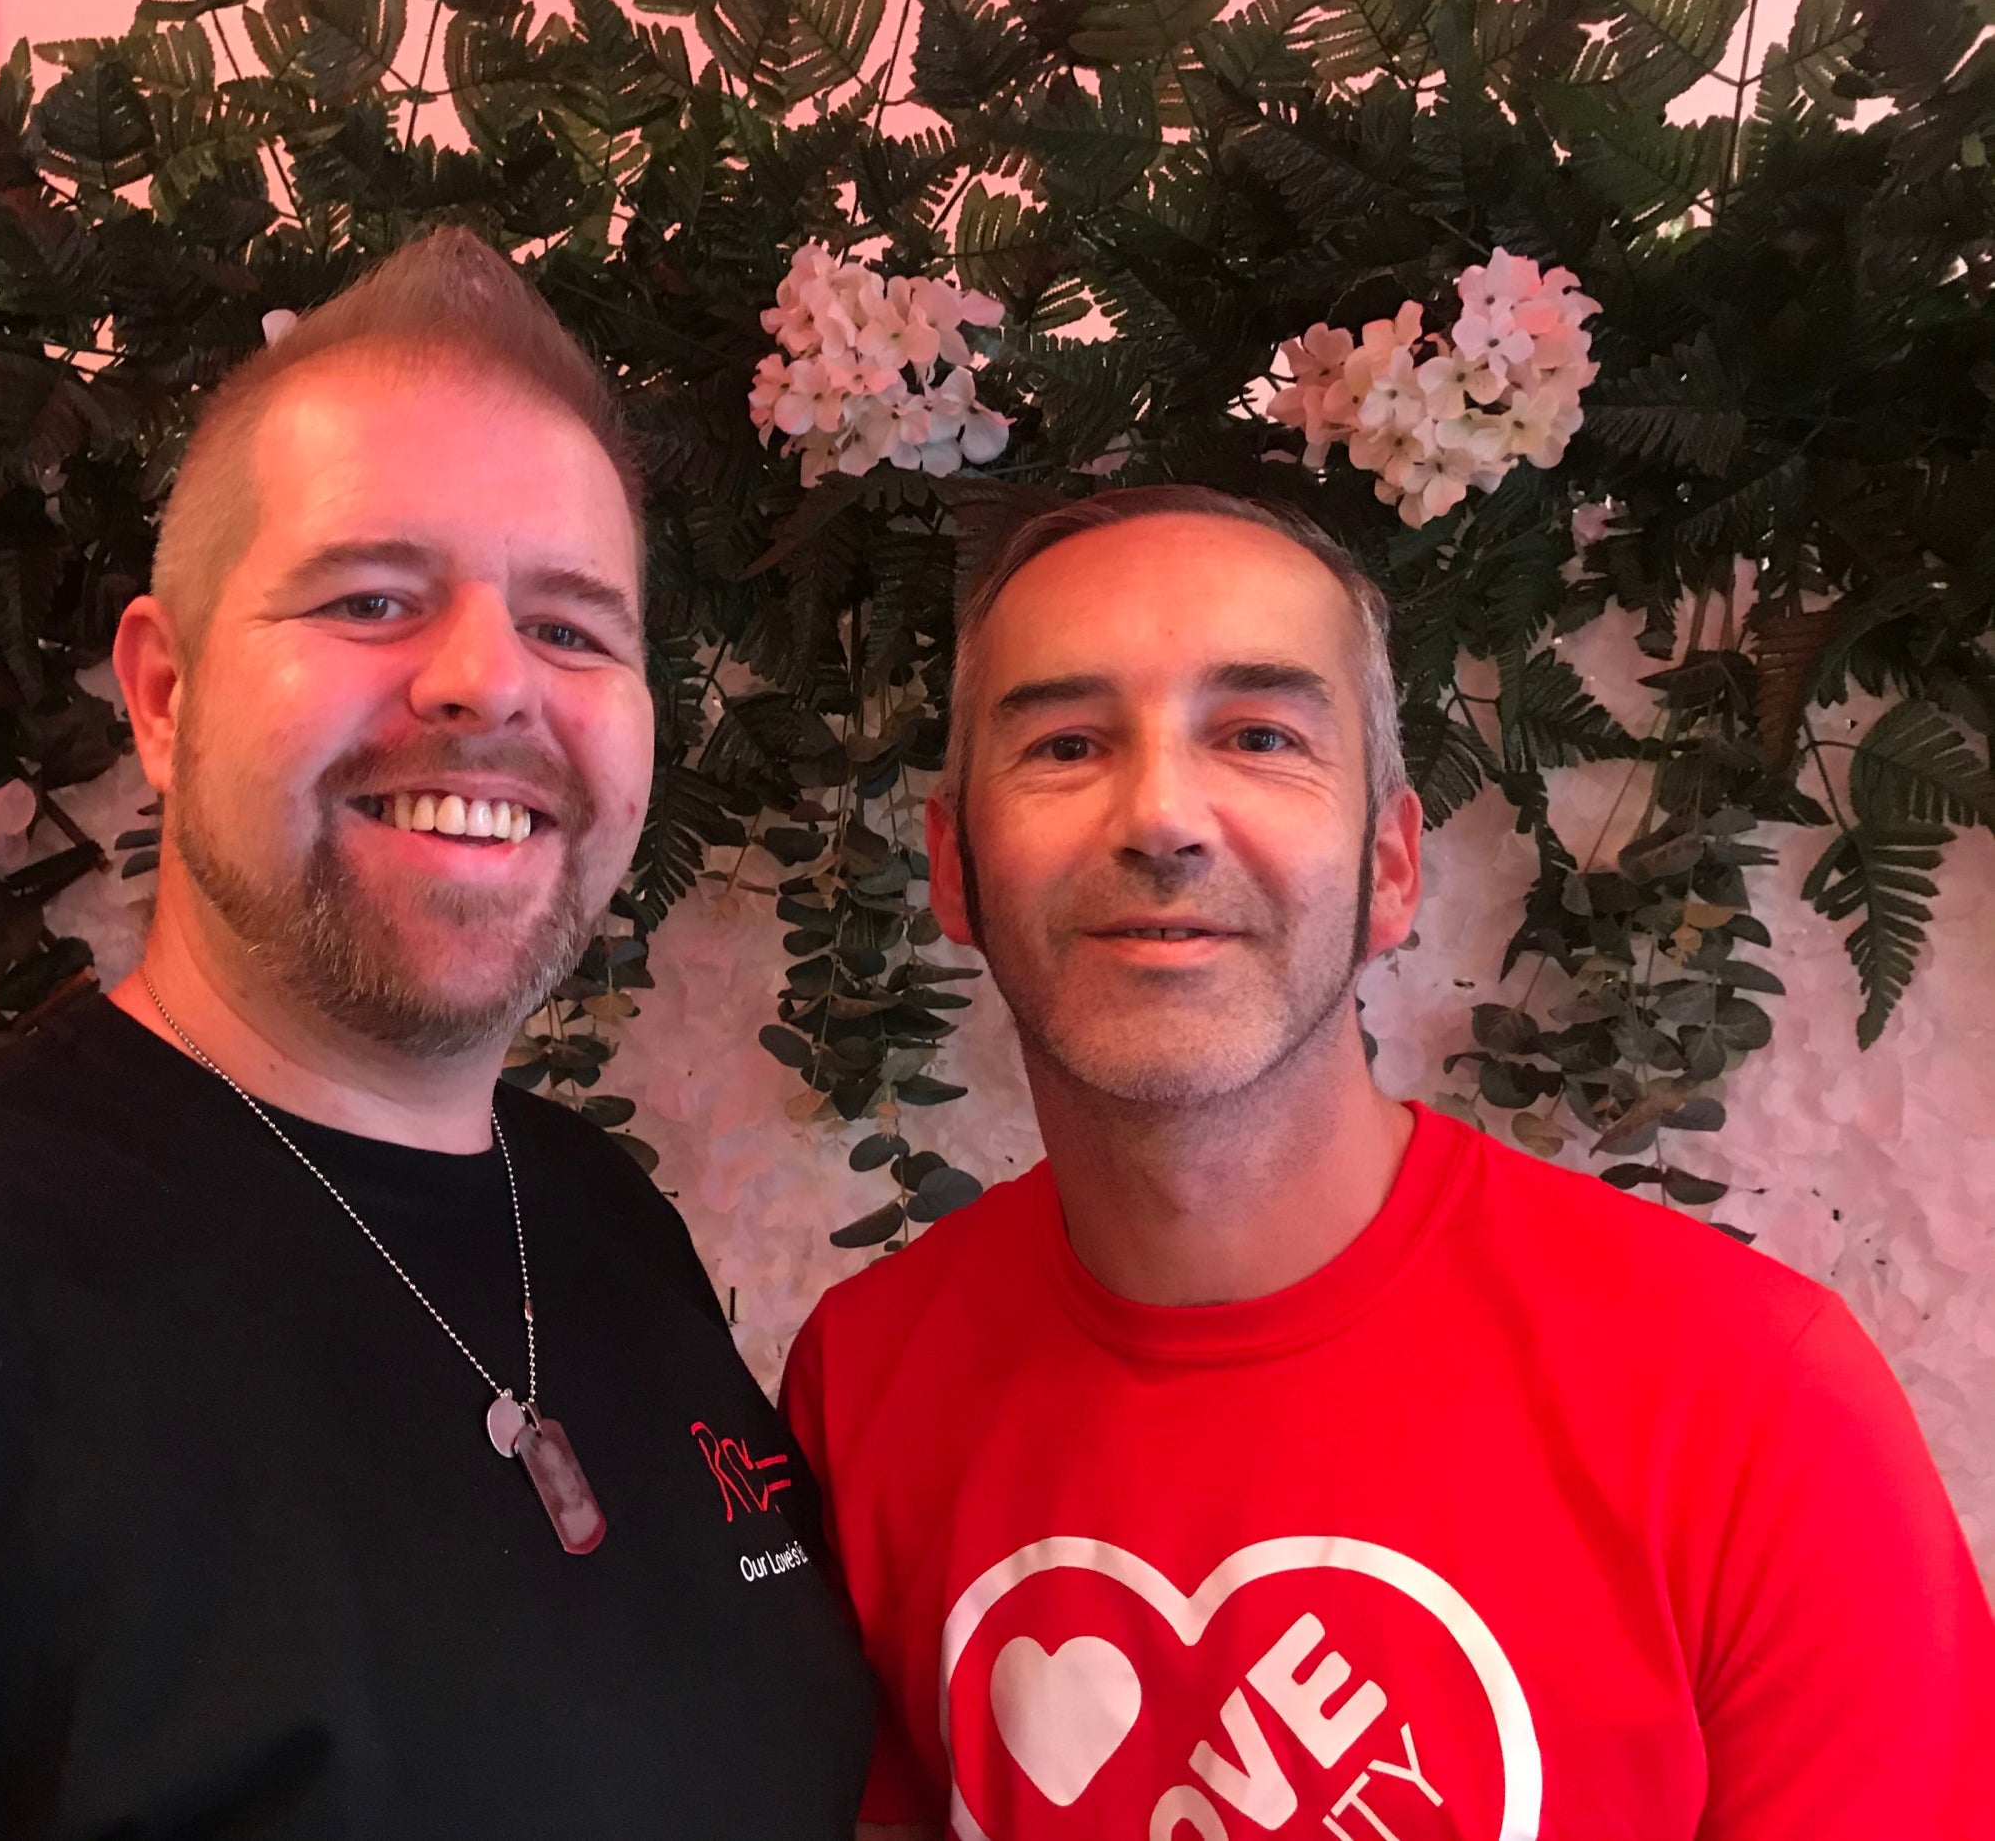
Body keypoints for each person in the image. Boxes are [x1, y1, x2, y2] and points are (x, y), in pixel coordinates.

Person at [0, 230, 872, 1838]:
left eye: (574, 629)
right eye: (372, 598)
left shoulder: (603, 1221)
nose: (490, 683)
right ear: (163, 695)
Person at [780, 484, 1995, 1841]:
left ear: (1393, 865)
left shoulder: (1759, 1409)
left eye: (1261, 736)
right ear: (955, 869)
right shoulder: (862, 1379)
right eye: (1066, 744)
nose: (1163, 817)